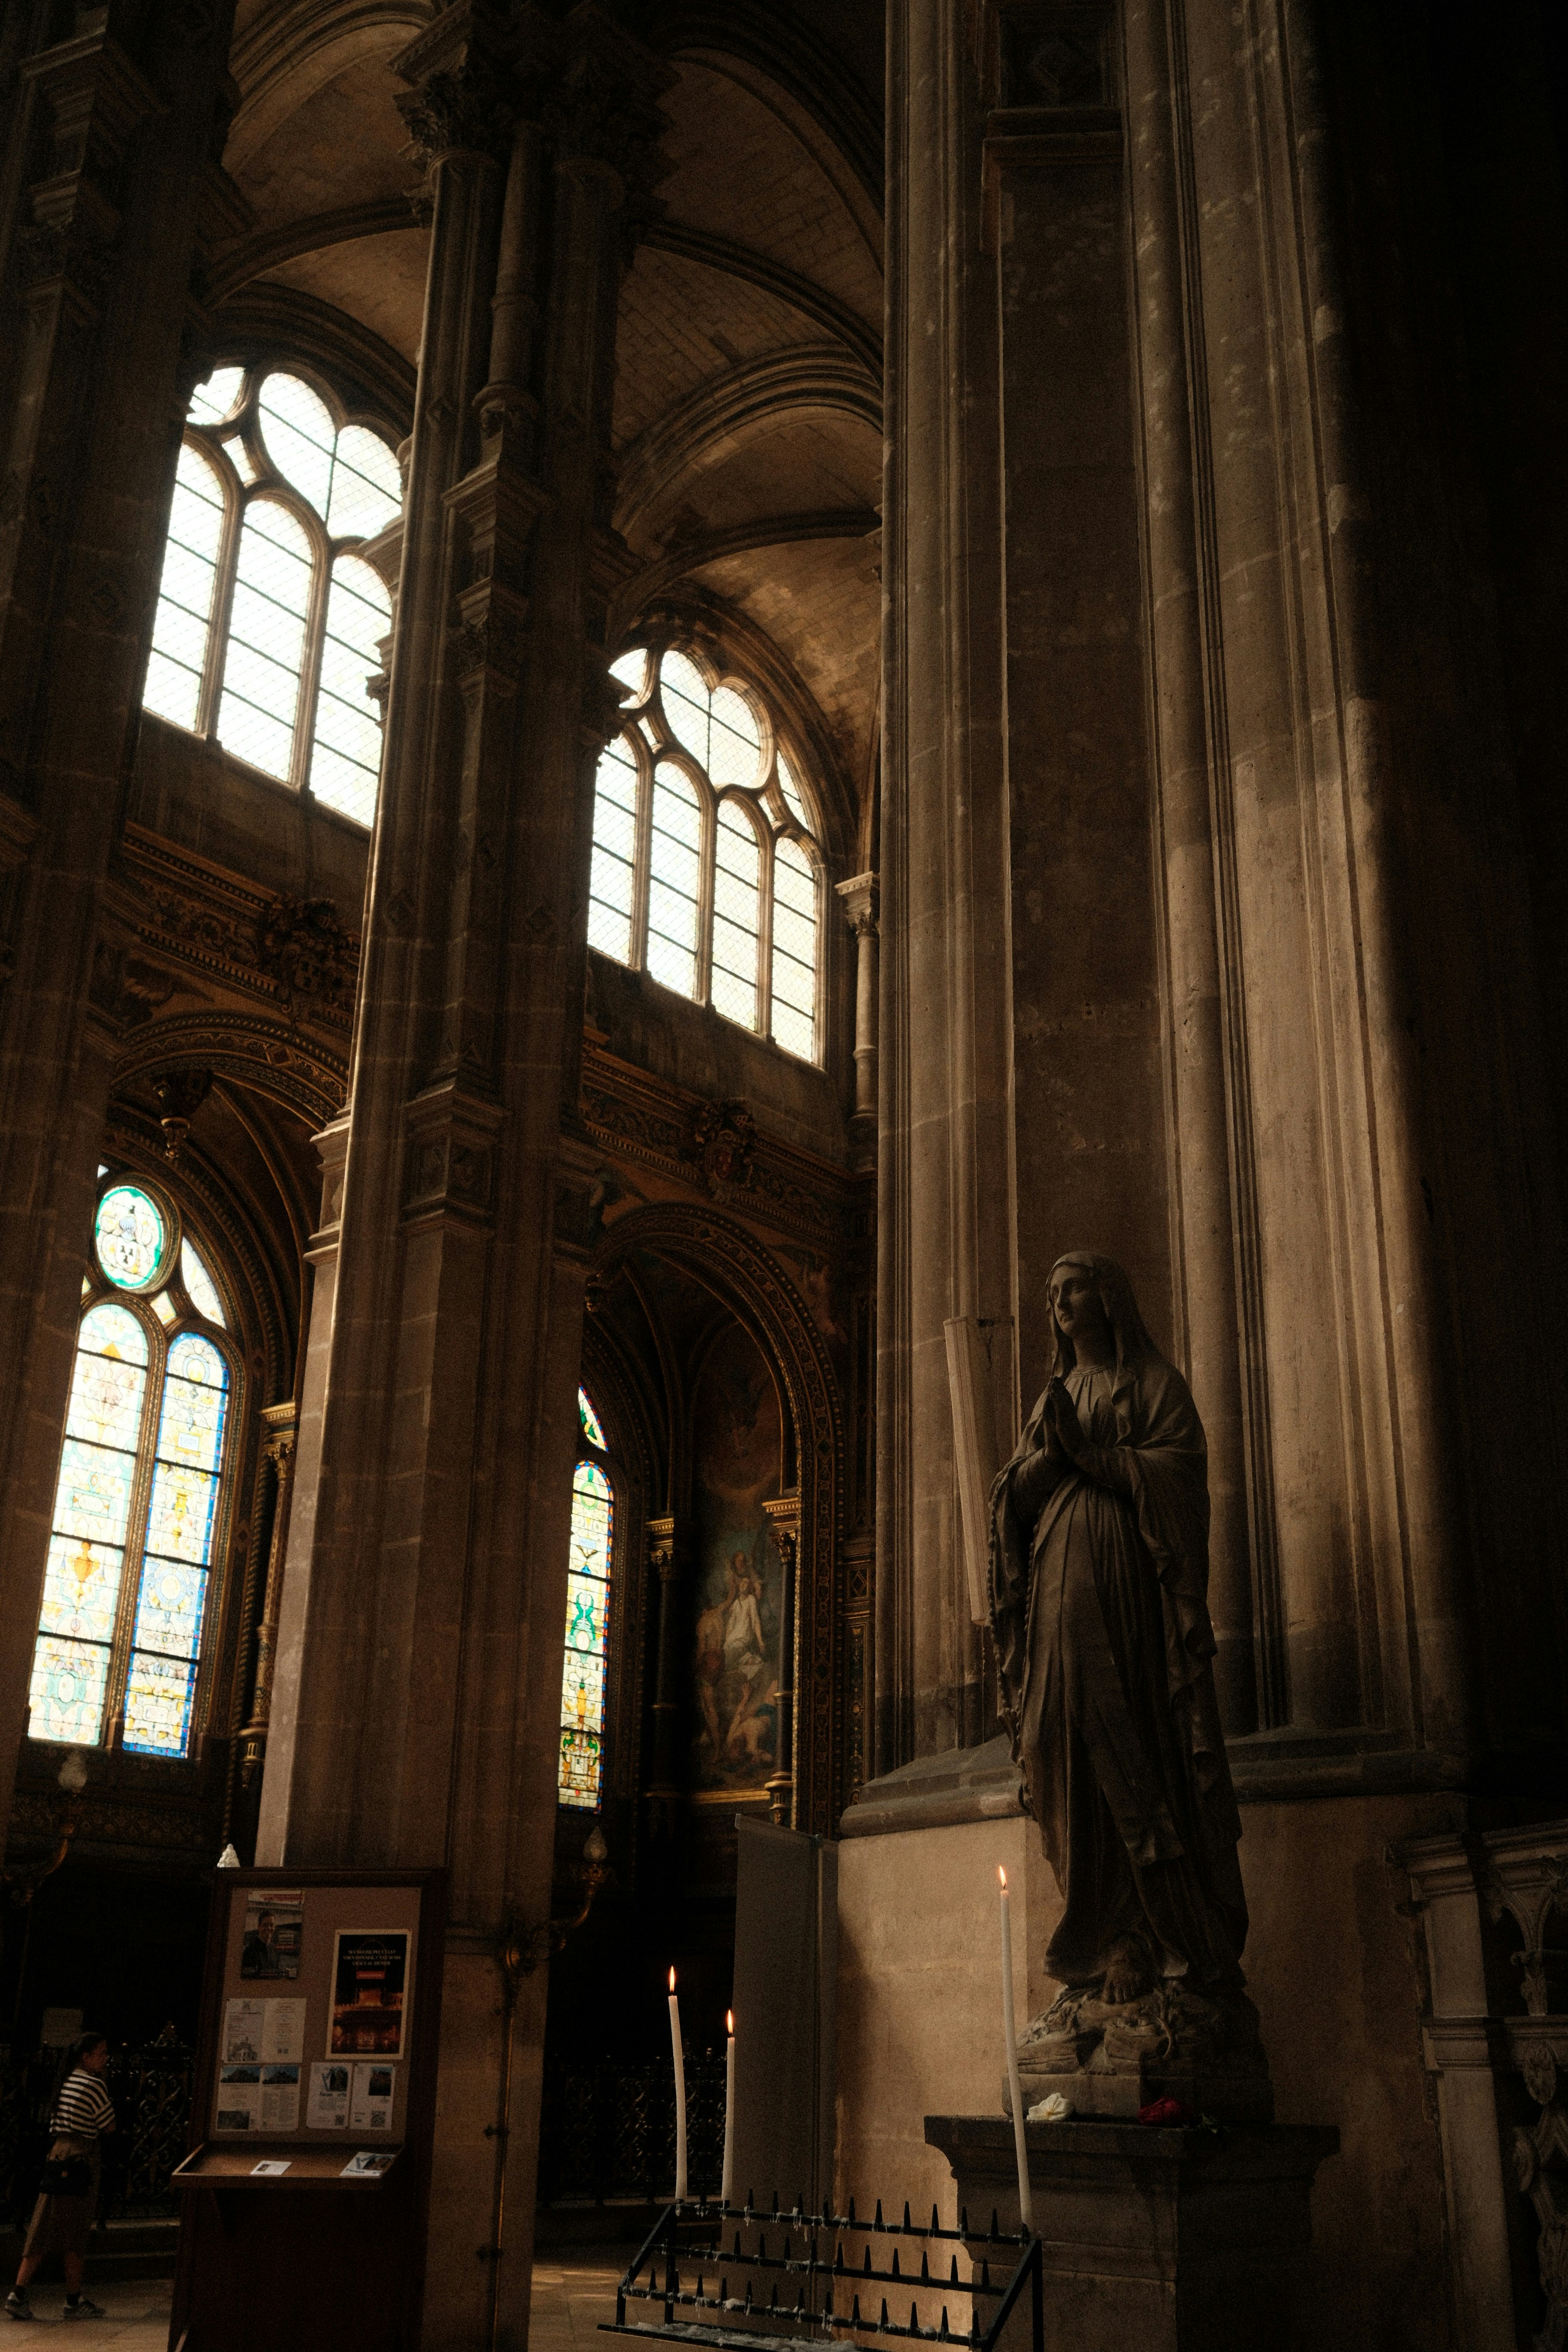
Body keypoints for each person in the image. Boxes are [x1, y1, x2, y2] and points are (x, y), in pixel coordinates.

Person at [988, 1252, 1253, 2055]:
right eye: (1049, 1292)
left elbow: (1178, 1476)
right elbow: (1017, 1498)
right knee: (1054, 1744)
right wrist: (1048, 1458)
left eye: (1069, 1288)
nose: (1056, 1301)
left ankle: (1157, 1937)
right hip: (1056, 1600)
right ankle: (1097, 1935)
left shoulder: (1154, 1386)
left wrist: (1094, 1458)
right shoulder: (1055, 1396)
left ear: (1107, 1296)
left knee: (1137, 1743)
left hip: (1130, 1603)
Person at [6, 2032, 115, 2322]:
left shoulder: (66, 2080)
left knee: (44, 2223)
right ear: (86, 2056)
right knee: (76, 2230)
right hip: (82, 2155)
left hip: (58, 2154)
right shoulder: (94, 2084)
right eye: (102, 2053)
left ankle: (22, 2292)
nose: (106, 2059)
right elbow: (108, 2126)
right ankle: (71, 2299)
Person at [239, 1909, 282, 1978]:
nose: (269, 1928)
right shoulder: (250, 1952)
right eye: (265, 1925)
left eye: (272, 1925)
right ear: (259, 1928)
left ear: (274, 1927)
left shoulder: (275, 1950)